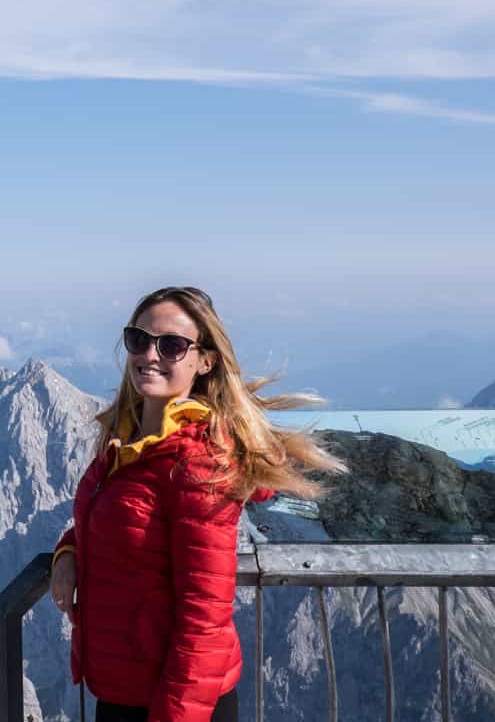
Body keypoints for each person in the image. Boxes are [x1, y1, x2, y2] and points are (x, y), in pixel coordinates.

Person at [50, 286, 343, 722]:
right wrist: (68, 553)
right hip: (124, 690)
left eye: (171, 345)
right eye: (138, 339)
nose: (150, 354)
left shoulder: (197, 464)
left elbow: (203, 619)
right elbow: (119, 524)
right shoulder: (128, 444)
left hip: (176, 704)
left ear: (204, 361)